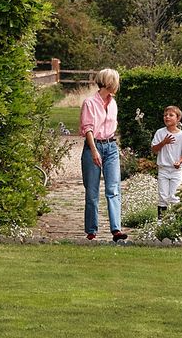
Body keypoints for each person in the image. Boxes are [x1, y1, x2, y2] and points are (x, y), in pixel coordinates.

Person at [79, 66, 125, 242]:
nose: (117, 85)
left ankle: (116, 230)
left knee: (113, 189)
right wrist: (94, 151)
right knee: (92, 191)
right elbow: (88, 129)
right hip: (93, 146)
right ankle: (91, 230)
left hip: (111, 147)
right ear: (108, 83)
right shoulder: (89, 103)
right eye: (116, 82)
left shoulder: (113, 103)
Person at [151, 104, 182, 216]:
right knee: (163, 196)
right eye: (165, 115)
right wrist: (163, 143)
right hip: (163, 169)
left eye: (171, 115)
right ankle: (161, 220)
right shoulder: (160, 133)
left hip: (176, 171)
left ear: (178, 118)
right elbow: (154, 149)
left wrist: (179, 162)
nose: (167, 117)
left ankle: (174, 219)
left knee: (175, 196)